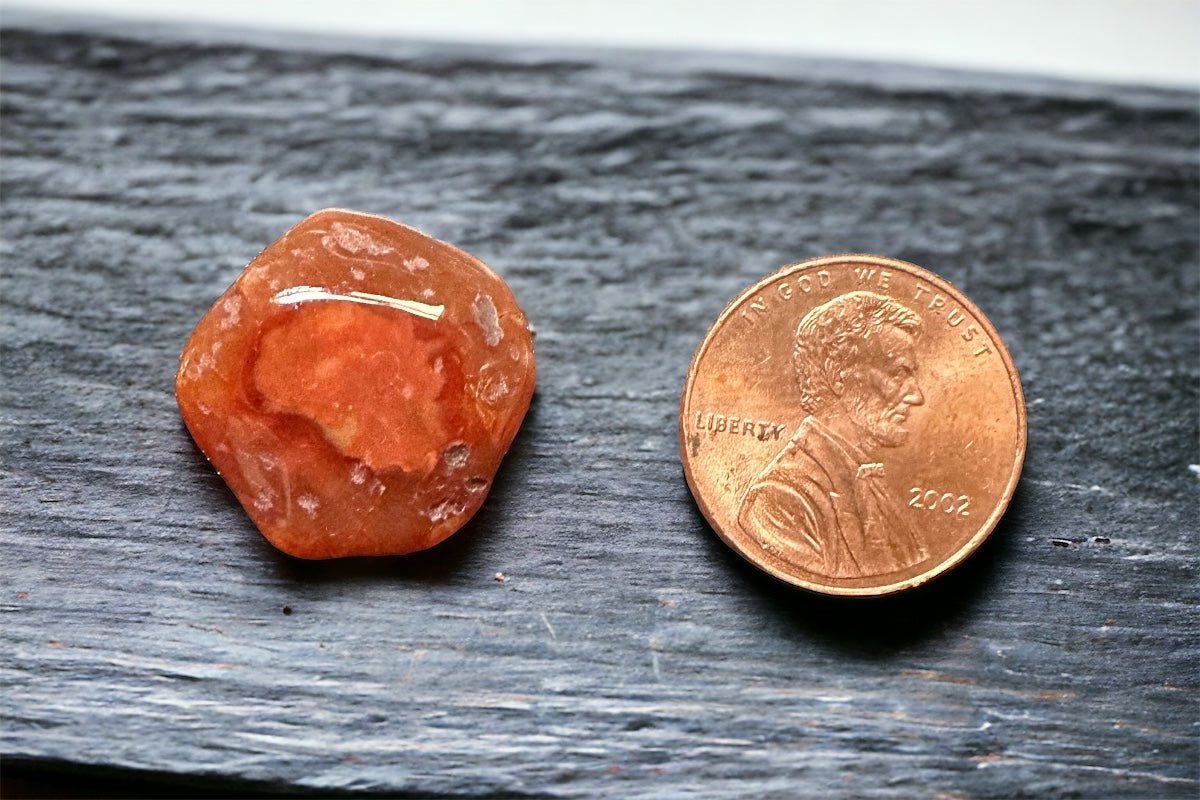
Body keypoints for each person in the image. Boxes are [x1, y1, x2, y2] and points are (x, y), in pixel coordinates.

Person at [737, 291, 928, 579]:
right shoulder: (780, 500)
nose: (916, 396)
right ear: (838, 375)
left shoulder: (868, 480)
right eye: (898, 374)